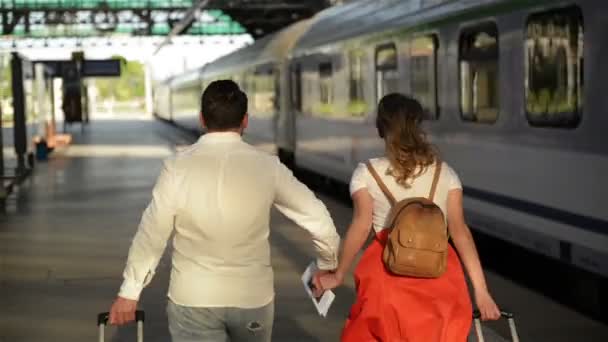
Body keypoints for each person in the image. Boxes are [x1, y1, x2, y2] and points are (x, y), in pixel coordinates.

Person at [108, 80, 340, 342]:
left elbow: (152, 233)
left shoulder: (177, 168)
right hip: (252, 298)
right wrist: (327, 265)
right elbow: (319, 219)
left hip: (193, 298)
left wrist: (130, 290)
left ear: (201, 120)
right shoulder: (268, 167)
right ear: (245, 121)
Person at [316, 94, 501, 341]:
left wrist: (338, 274)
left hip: (386, 279)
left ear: (380, 128)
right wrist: (481, 291)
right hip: (440, 278)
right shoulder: (446, 174)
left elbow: (361, 228)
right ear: (418, 127)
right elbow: (460, 233)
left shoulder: (367, 173)